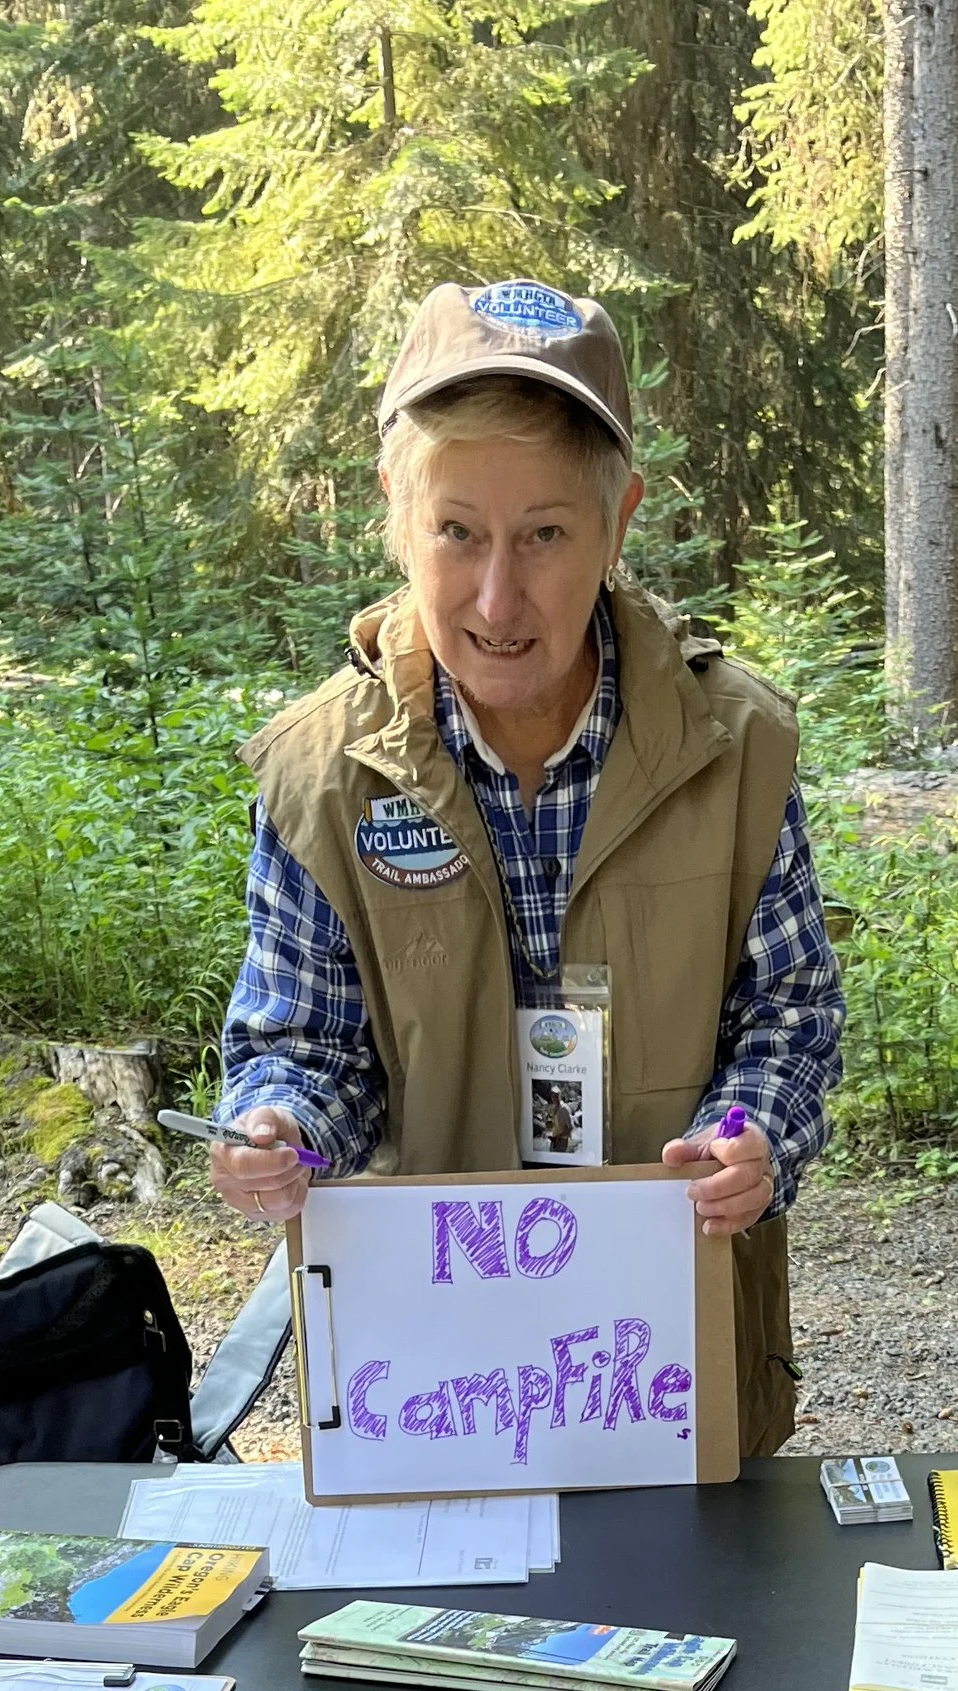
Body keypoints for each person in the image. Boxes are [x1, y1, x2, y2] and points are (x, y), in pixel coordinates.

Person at [211, 278, 844, 1456]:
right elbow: (304, 1045)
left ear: (618, 523)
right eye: (457, 532)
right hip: (427, 1383)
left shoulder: (736, 749)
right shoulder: (320, 778)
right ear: (399, 509)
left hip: (668, 1367)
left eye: (545, 535)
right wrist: (280, 1129)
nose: (498, 598)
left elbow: (789, 1015)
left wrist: (752, 1132)